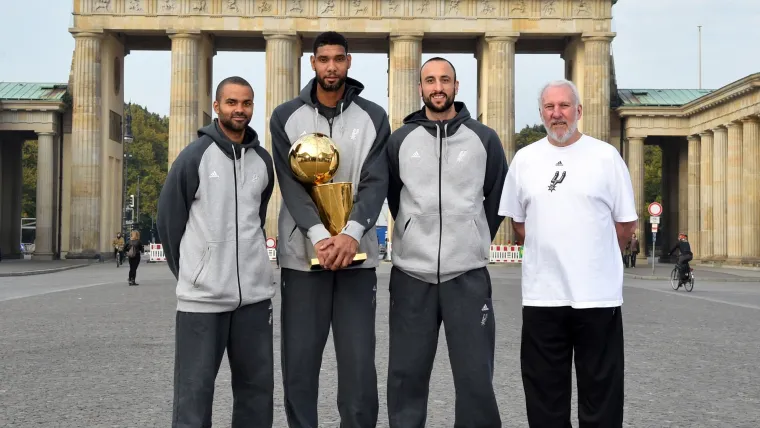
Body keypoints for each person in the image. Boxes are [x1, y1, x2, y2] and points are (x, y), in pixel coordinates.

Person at [498, 79, 638, 427]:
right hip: (543, 296)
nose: (557, 114)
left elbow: (625, 226)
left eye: (564, 106)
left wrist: (595, 258)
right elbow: (519, 224)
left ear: (578, 111)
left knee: (601, 394)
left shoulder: (606, 157)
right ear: (542, 113)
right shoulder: (525, 159)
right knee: (544, 397)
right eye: (549, 107)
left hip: (597, 297)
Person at [270, 31, 390, 428]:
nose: (332, 67)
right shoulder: (285, 117)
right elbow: (291, 185)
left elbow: (375, 181)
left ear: (349, 62)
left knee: (358, 365)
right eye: (324, 59)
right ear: (313, 63)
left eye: (339, 59)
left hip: (357, 257)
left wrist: (351, 233)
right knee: (300, 363)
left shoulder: (374, 117)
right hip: (304, 259)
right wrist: (321, 237)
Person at [385, 57, 507, 428]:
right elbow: (394, 197)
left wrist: (469, 234)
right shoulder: (400, 140)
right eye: (430, 81)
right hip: (411, 275)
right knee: (406, 378)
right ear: (420, 89)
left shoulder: (484, 138)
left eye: (445, 80)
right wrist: (412, 228)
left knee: (475, 380)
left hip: (466, 276)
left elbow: (497, 195)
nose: (438, 87)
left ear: (457, 86)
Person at [157, 76, 276, 428]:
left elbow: (258, 218)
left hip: (254, 300)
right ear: (217, 106)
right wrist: (195, 273)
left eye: (246, 103)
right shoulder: (194, 156)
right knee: (194, 396)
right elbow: (168, 221)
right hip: (203, 301)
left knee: (257, 394)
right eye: (232, 103)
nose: (239, 110)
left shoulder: (263, 161)